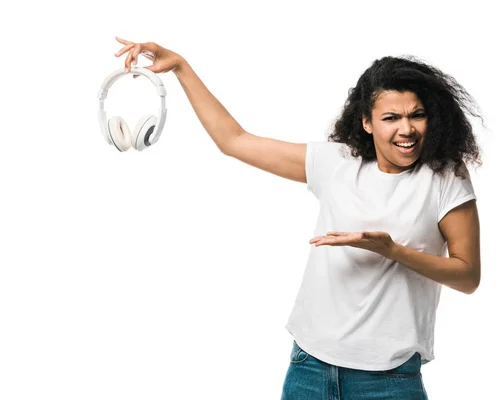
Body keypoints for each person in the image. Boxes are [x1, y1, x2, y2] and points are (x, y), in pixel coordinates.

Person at [114, 36, 482, 399]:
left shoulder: (445, 177)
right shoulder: (337, 163)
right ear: (367, 123)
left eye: (417, 115)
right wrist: (181, 67)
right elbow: (234, 140)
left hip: (389, 379)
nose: (407, 129)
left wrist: (393, 251)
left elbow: (468, 276)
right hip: (310, 367)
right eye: (391, 118)